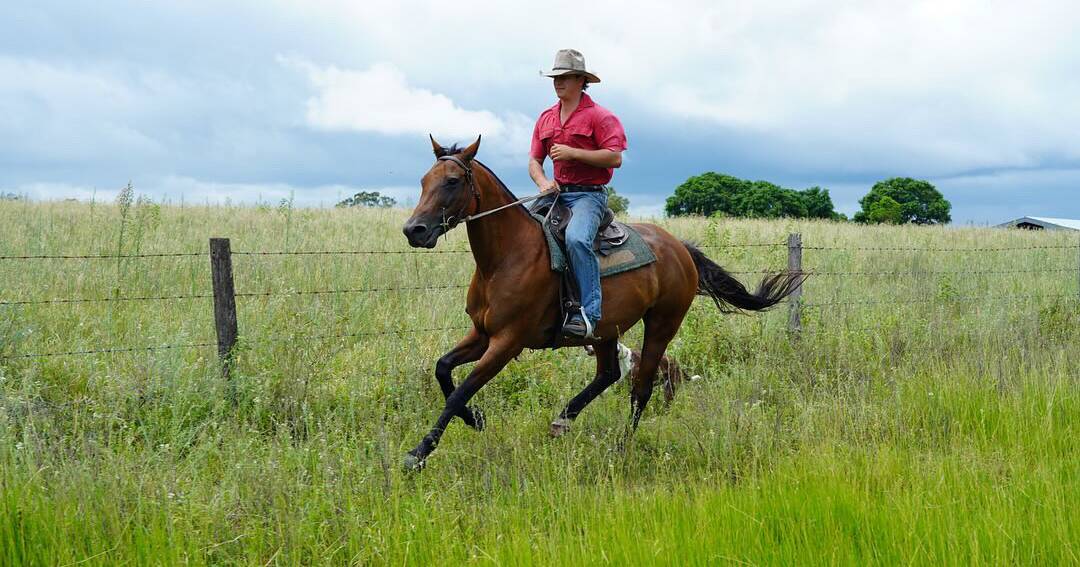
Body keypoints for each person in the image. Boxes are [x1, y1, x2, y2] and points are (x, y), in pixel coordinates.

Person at [529, 48, 627, 339]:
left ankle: (589, 314)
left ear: (581, 80)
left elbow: (614, 158)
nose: (558, 83)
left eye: (566, 77)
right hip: (555, 193)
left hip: (588, 196)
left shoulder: (601, 117)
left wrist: (574, 153)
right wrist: (543, 182)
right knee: (519, 234)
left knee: (576, 238)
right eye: (555, 77)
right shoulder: (546, 118)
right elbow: (535, 161)